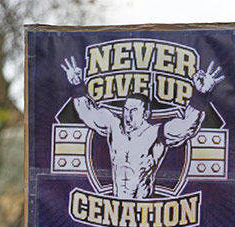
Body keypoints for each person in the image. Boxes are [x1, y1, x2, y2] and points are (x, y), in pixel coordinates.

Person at [61, 56, 224, 199]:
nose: (127, 115)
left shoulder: (156, 134)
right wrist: (77, 87)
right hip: (115, 205)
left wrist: (200, 95)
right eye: (125, 110)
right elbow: (87, 114)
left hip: (142, 206)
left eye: (133, 111)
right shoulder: (114, 126)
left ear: (145, 114)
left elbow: (187, 126)